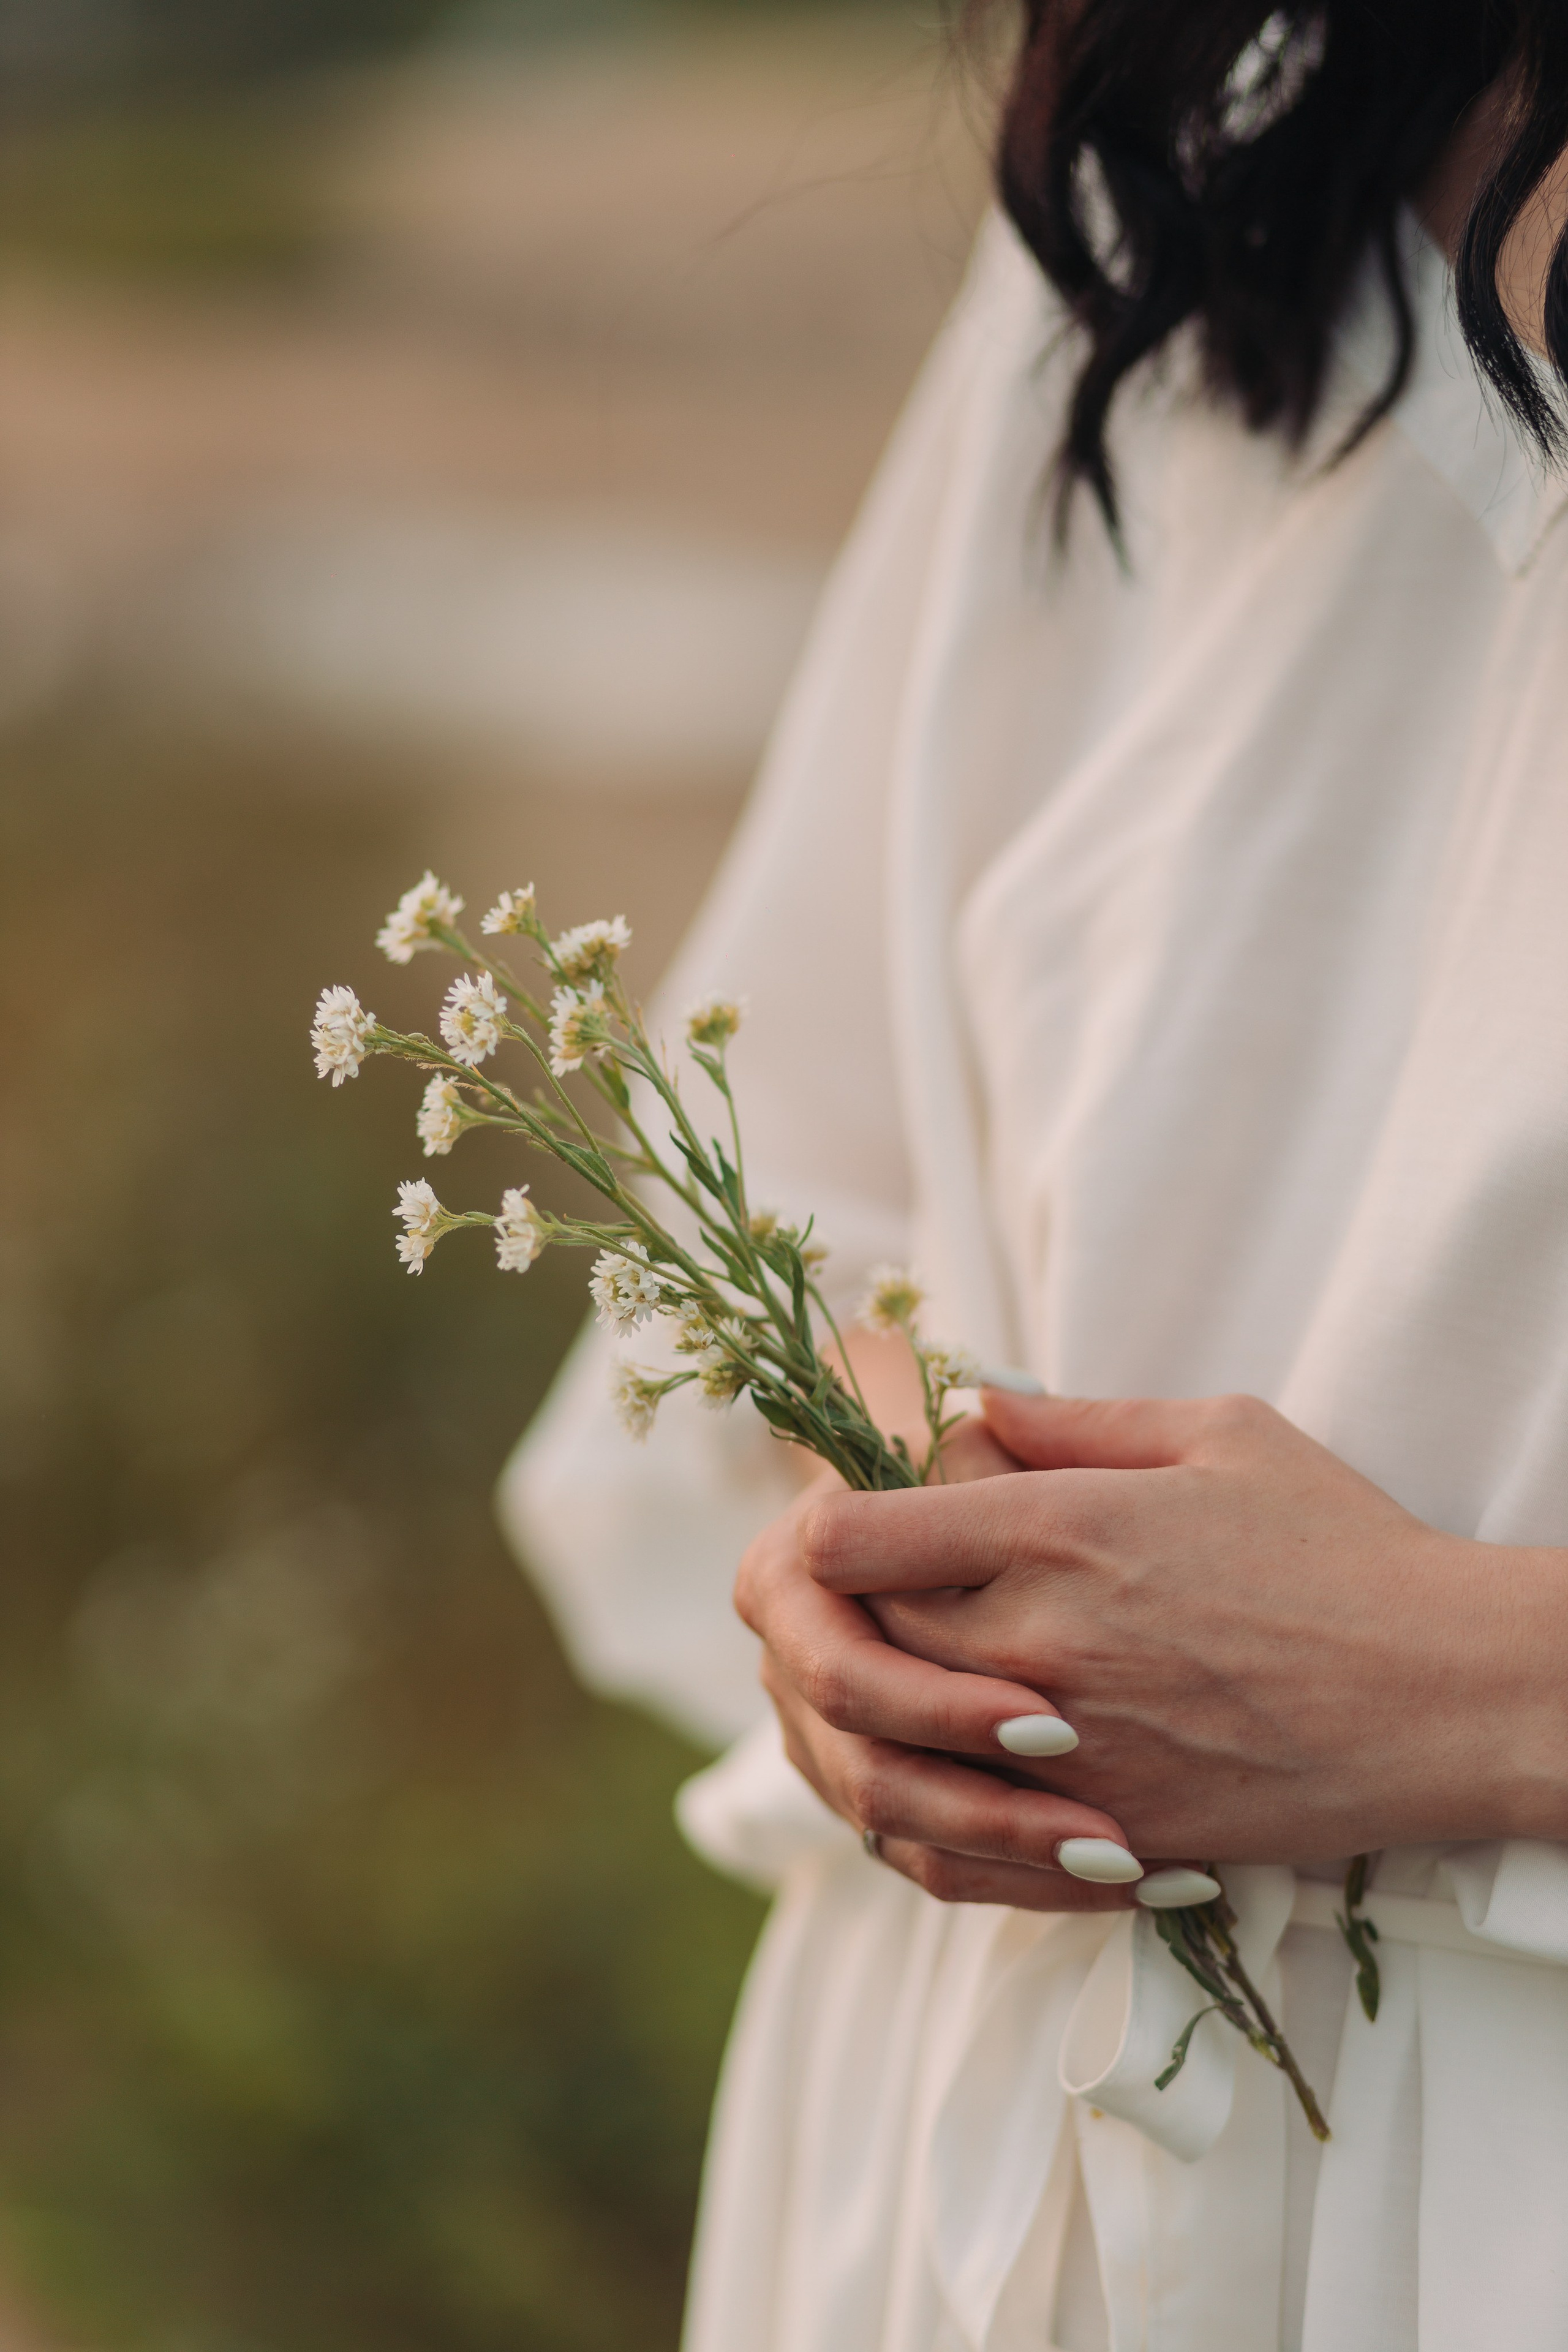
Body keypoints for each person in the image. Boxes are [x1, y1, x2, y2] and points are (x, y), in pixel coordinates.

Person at [504, 7, 1568, 2346]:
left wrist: (1485, 1688)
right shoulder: (1196, 166)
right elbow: (799, 1168)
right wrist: (898, 1520)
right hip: (959, 2172)